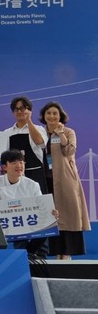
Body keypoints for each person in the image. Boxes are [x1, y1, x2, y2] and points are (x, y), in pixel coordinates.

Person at [0, 149, 59, 258]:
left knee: (44, 228)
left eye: (21, 162)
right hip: (4, 228)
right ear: (5, 167)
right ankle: (25, 256)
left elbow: (41, 207)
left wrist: (52, 213)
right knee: (20, 242)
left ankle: (30, 255)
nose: (19, 166)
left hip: (27, 226)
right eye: (14, 163)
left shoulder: (32, 185)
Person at [40, 102, 91, 259]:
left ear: (60, 116)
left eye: (55, 113)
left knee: (68, 214)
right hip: (45, 180)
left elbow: (69, 151)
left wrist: (60, 133)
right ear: (44, 116)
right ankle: (55, 251)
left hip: (65, 179)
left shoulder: (69, 132)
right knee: (50, 216)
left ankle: (67, 252)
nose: (52, 116)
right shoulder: (40, 132)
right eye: (48, 113)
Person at [5, 96, 48, 195]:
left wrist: (28, 120)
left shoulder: (39, 129)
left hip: (35, 173)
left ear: (29, 110)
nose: (20, 111)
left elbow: (40, 142)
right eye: (16, 109)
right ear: (13, 112)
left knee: (38, 201)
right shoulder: (7, 132)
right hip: (15, 175)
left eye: (23, 108)